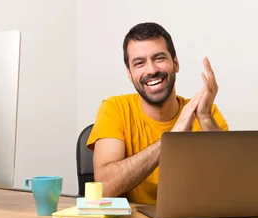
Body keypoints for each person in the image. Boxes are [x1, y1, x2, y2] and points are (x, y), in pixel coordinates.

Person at [86, 22, 229, 204]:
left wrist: (206, 119)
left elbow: (230, 184)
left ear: (175, 64)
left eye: (159, 58)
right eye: (139, 63)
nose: (151, 70)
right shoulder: (114, 109)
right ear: (130, 74)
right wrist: (171, 139)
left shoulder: (208, 114)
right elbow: (103, 189)